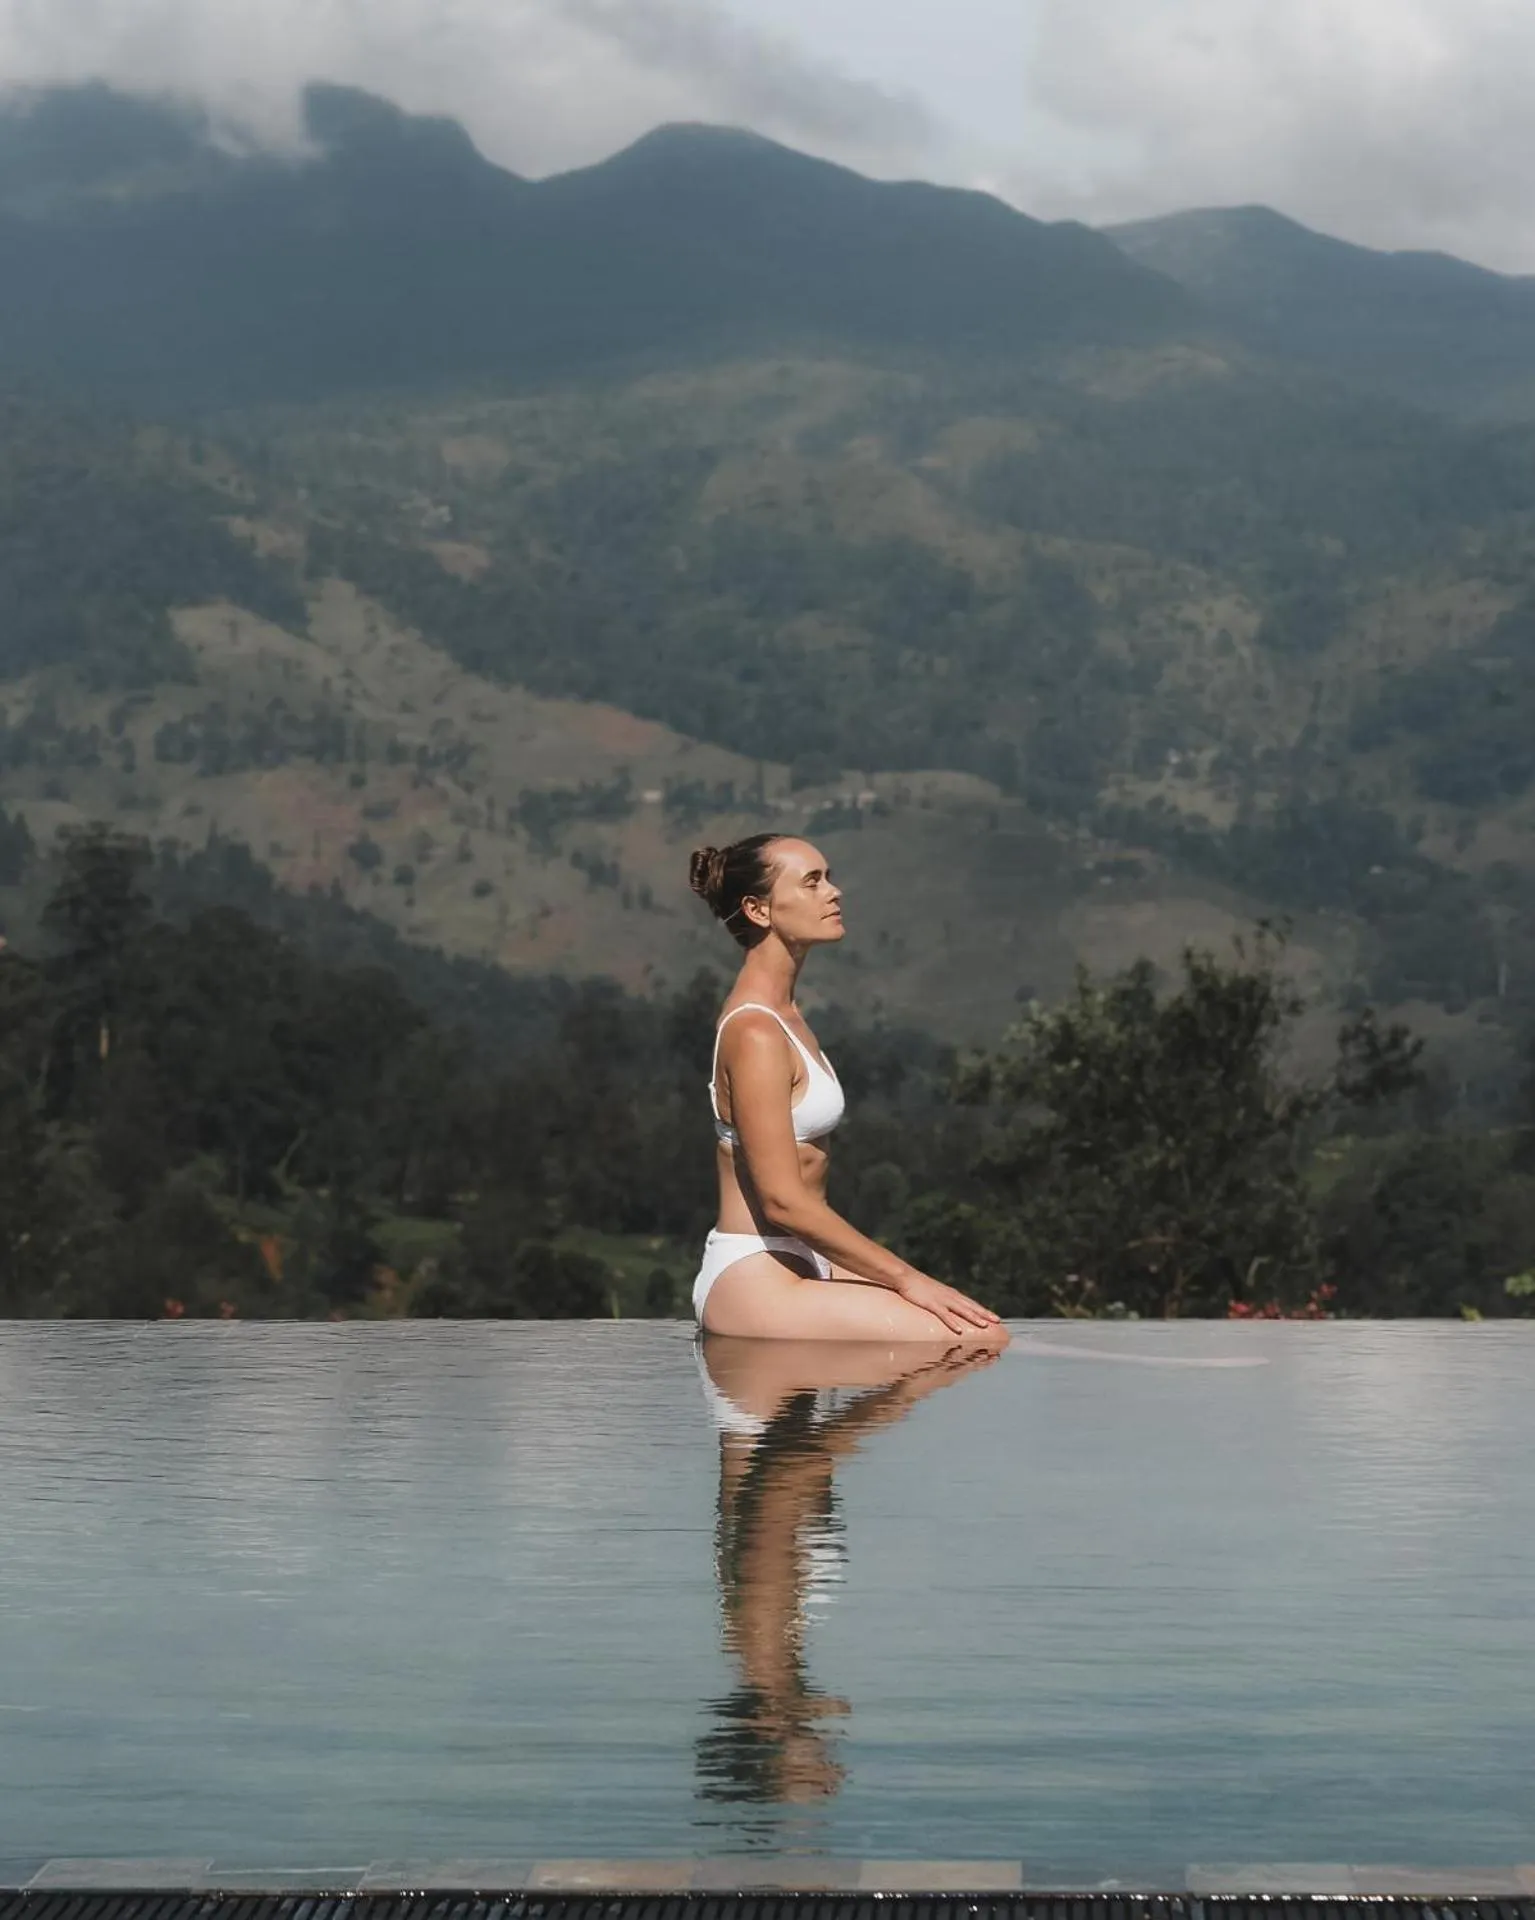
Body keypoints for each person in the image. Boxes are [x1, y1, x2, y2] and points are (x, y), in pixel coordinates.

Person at [688, 832, 1007, 1343]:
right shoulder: (755, 1032)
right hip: (756, 1276)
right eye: (812, 882)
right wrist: (908, 1279)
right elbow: (782, 1202)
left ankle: (832, 1430)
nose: (834, 892)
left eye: (829, 877)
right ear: (758, 909)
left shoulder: (785, 1016)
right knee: (977, 1339)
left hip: (804, 1260)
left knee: (982, 1325)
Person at [695, 1333, 1001, 1810]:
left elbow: (785, 1474)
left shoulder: (760, 1634)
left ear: (763, 1735)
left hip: (772, 1367)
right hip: (771, 1374)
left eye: (807, 1777)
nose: (832, 1779)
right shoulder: (767, 1647)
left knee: (975, 1339)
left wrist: (899, 1396)